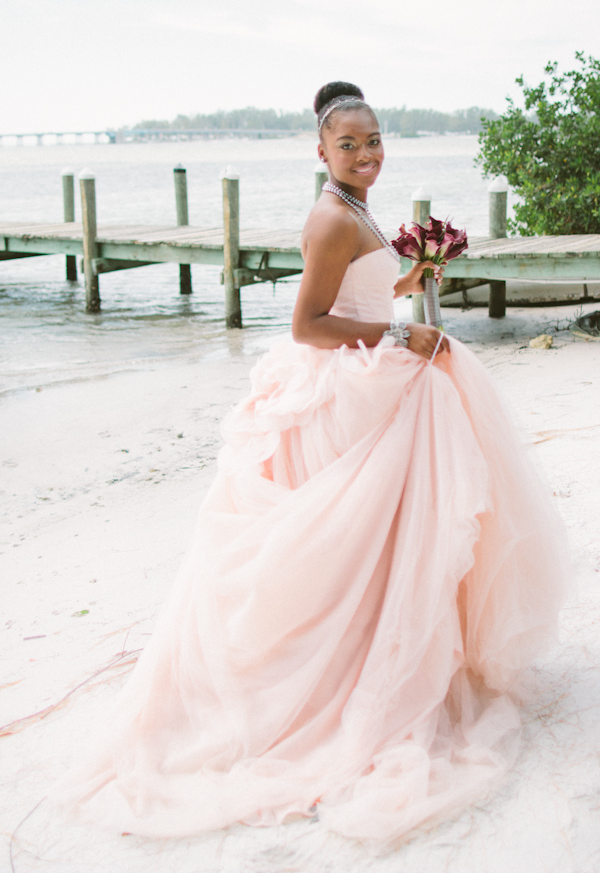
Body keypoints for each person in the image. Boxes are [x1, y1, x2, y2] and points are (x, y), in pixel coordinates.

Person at [51, 82, 567, 846]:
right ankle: (349, 680)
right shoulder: (331, 216)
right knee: (354, 544)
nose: (366, 154)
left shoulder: (353, 209)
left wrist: (411, 279)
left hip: (371, 369)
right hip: (346, 387)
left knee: (391, 541)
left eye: (374, 140)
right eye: (349, 144)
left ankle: (388, 656)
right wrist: (399, 339)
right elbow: (309, 325)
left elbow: (357, 296)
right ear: (321, 151)